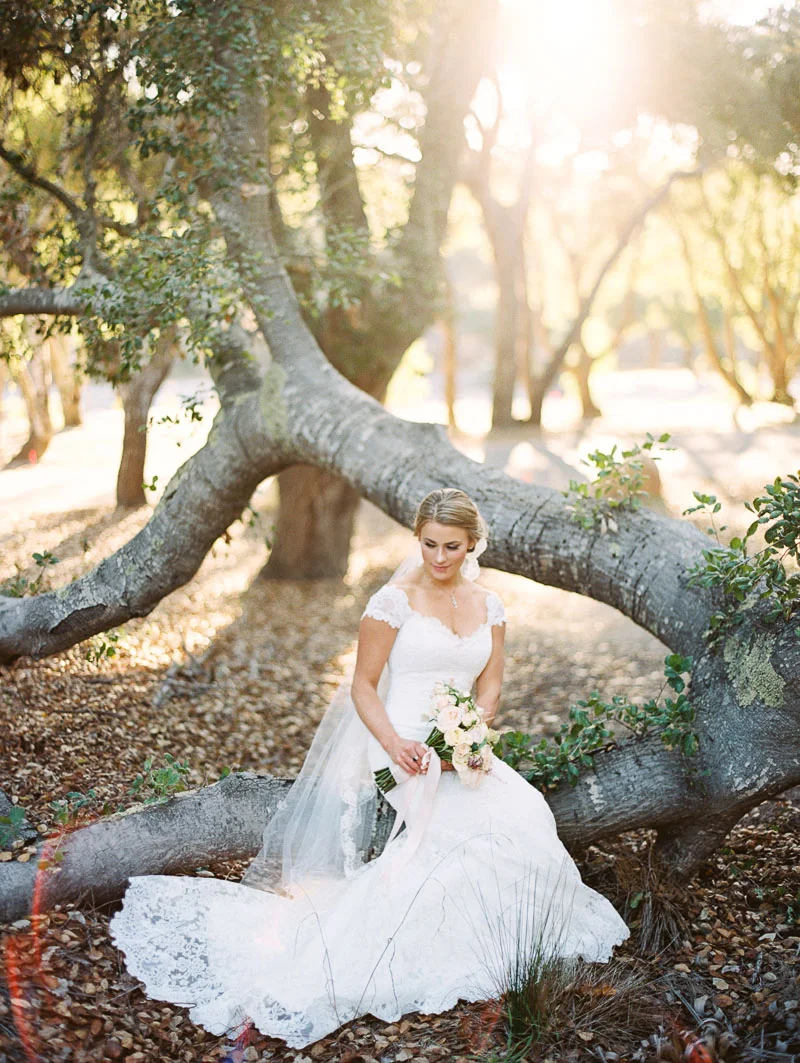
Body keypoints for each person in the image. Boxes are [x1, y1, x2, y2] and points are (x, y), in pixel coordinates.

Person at [109, 488, 630, 1049]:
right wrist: (398, 744)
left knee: (524, 811)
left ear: (473, 545)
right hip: (398, 739)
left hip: (459, 743)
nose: (438, 557)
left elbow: (492, 684)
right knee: (455, 834)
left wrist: (472, 731)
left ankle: (517, 942)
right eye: (428, 544)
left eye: (451, 546)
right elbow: (362, 686)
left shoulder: (490, 605)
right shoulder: (392, 602)